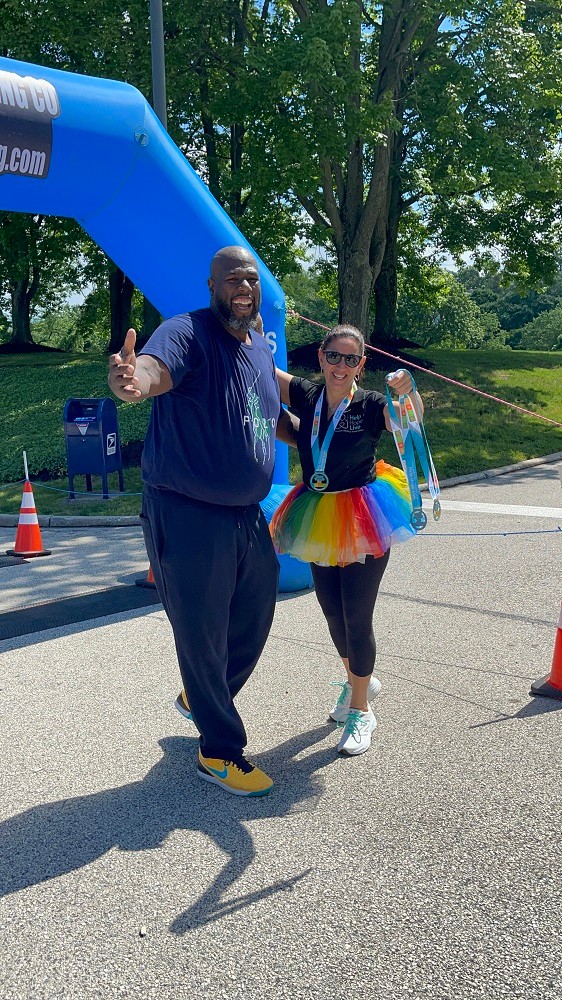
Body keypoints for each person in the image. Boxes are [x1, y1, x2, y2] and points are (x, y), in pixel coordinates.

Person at [108, 246, 298, 797]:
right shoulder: (185, 331)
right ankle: (218, 752)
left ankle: (201, 693)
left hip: (244, 513)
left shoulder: (257, 346)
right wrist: (132, 381)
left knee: (256, 613)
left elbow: (273, 417)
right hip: (186, 511)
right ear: (212, 285)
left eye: (251, 278)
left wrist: (316, 433)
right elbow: (151, 372)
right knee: (200, 630)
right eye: (232, 278)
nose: (243, 285)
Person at [272, 324, 423, 757]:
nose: (341, 366)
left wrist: (408, 393)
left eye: (351, 359)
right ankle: (360, 679)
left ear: (362, 364)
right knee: (331, 611)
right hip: (318, 512)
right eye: (333, 357)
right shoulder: (305, 394)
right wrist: (256, 329)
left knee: (357, 616)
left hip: (363, 515)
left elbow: (409, 422)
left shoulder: (373, 404)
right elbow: (261, 367)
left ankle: (361, 712)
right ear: (320, 358)